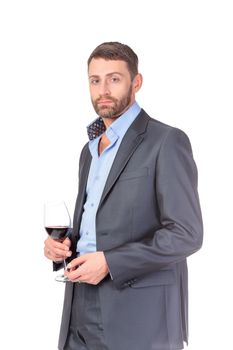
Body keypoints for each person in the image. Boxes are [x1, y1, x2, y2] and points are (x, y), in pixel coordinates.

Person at [44, 41, 203, 350]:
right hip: (79, 304)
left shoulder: (167, 142)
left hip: (139, 315)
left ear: (136, 82)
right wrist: (62, 245)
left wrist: (111, 262)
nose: (103, 89)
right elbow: (100, 221)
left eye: (114, 79)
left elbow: (187, 234)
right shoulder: (89, 151)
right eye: (95, 80)